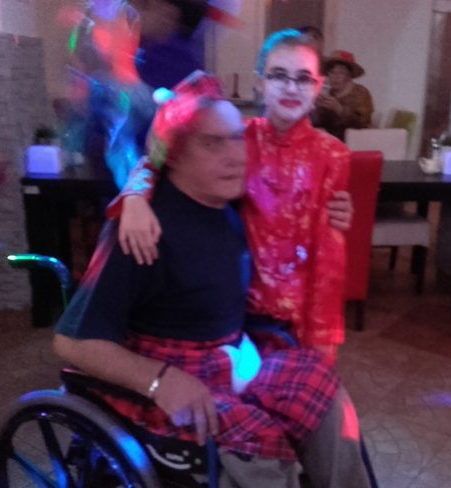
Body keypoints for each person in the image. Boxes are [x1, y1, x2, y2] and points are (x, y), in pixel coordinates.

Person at [54, 74, 371, 488]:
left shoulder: (233, 204)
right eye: (212, 143)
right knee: (260, 447)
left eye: (238, 138)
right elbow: (71, 343)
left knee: (323, 391)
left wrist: (337, 210)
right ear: (175, 153)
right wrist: (159, 380)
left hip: (231, 359)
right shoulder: (140, 231)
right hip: (169, 372)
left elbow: (298, 205)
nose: (236, 156)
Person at [109, 30, 354, 364]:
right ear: (259, 83)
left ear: (318, 87)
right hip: (232, 308)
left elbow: (329, 257)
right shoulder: (238, 136)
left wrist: (321, 340)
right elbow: (159, 156)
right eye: (278, 75)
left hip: (298, 318)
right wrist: (135, 196)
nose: (291, 87)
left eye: (303, 78)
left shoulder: (332, 155)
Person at [312, 50, 374, 141]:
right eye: (331, 72)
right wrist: (316, 107)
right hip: (331, 141)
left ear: (349, 75)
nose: (335, 77)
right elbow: (320, 123)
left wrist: (339, 109)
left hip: (355, 142)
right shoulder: (330, 94)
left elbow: (362, 123)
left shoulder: (361, 93)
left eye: (340, 72)